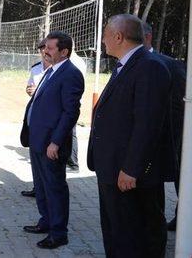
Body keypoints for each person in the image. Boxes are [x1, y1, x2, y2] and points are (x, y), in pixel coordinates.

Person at [87, 14, 170, 257]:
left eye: (104, 35)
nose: (102, 41)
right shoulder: (125, 66)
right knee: (117, 233)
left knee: (135, 237)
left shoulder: (149, 67)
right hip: (112, 169)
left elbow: (148, 124)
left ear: (118, 36)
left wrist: (132, 168)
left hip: (130, 175)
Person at [20, 31, 84, 249]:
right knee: (41, 186)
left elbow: (70, 113)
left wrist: (55, 142)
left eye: (50, 48)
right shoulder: (50, 71)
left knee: (54, 188)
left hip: (51, 145)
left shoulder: (71, 74)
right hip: (38, 141)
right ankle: (45, 221)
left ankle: (58, 233)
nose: (44, 51)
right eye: (45, 47)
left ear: (64, 52)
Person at [142, 21, 186, 232]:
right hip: (138, 146)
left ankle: (182, 219)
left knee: (181, 181)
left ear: (147, 37)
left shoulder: (170, 64)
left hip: (169, 140)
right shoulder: (125, 65)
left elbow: (178, 107)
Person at [21, 39, 50, 198]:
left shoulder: (58, 70)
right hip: (34, 119)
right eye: (42, 50)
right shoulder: (36, 69)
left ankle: (47, 189)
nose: (45, 53)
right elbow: (29, 87)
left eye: (47, 49)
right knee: (35, 156)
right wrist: (29, 90)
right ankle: (37, 187)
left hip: (48, 122)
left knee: (48, 159)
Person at [67, 52, 87, 171]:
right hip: (72, 101)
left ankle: (73, 163)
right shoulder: (76, 61)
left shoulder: (75, 62)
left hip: (72, 102)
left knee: (71, 132)